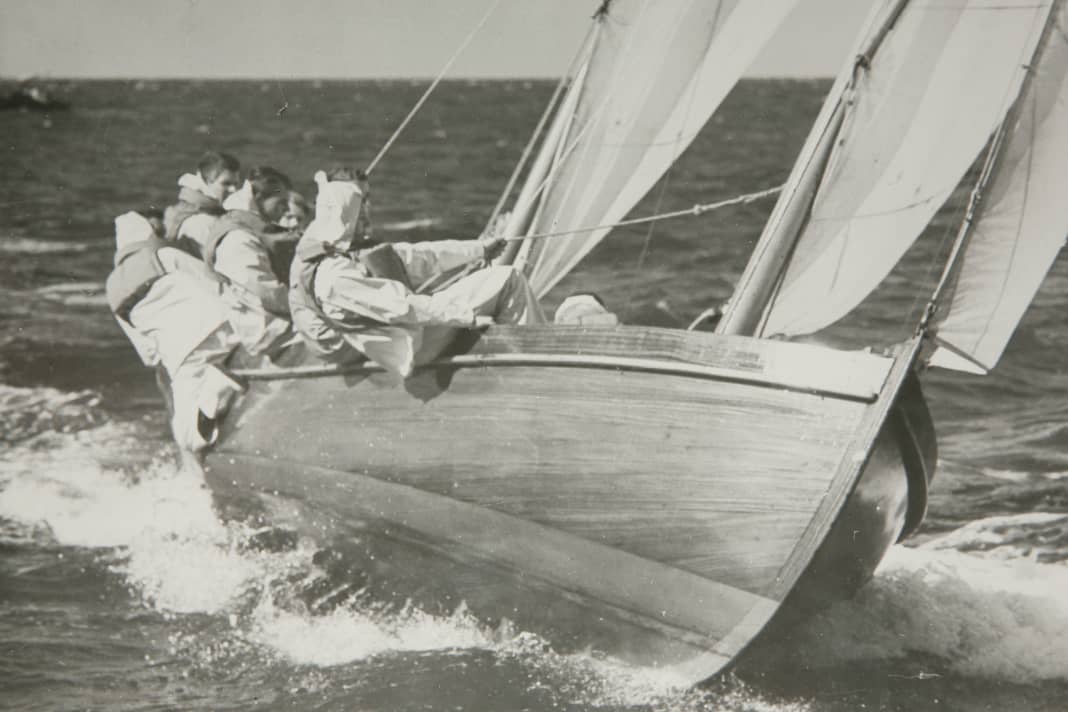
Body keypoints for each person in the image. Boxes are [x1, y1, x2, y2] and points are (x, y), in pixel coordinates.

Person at [288, 170, 545, 377]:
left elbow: (421, 256)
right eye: (358, 210)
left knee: (488, 281)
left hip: (410, 336)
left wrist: (479, 249)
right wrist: (467, 317)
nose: (365, 215)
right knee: (508, 279)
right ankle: (539, 370)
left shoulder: (332, 257)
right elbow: (402, 306)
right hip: (413, 346)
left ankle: (522, 363)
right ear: (346, 218)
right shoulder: (336, 276)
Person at [105, 210, 241, 460]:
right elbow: (216, 284)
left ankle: (215, 389)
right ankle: (217, 387)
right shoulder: (164, 254)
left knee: (186, 437)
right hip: (221, 327)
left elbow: (148, 354)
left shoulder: (112, 287)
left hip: (182, 353)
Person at [203, 166, 299, 359]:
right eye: (281, 202)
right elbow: (268, 293)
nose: (287, 209)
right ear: (257, 198)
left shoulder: (246, 230)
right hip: (268, 333)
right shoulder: (236, 238)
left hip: (277, 324)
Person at [162, 151, 242, 255]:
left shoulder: (183, 209)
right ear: (205, 181)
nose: (233, 190)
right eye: (226, 184)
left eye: (235, 184)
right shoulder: (202, 223)